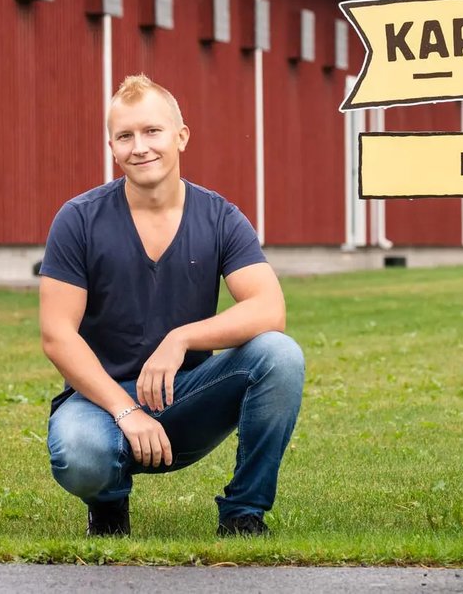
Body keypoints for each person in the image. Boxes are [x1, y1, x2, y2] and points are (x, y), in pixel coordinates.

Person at [38, 73, 304, 538]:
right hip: (100, 405)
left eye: (152, 131)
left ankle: (243, 515)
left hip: (188, 399)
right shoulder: (78, 219)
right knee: (79, 452)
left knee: (280, 355)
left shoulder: (219, 216)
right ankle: (108, 508)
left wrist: (182, 338)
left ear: (181, 136)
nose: (139, 147)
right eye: (125, 136)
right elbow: (57, 335)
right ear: (112, 147)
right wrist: (126, 410)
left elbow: (269, 309)